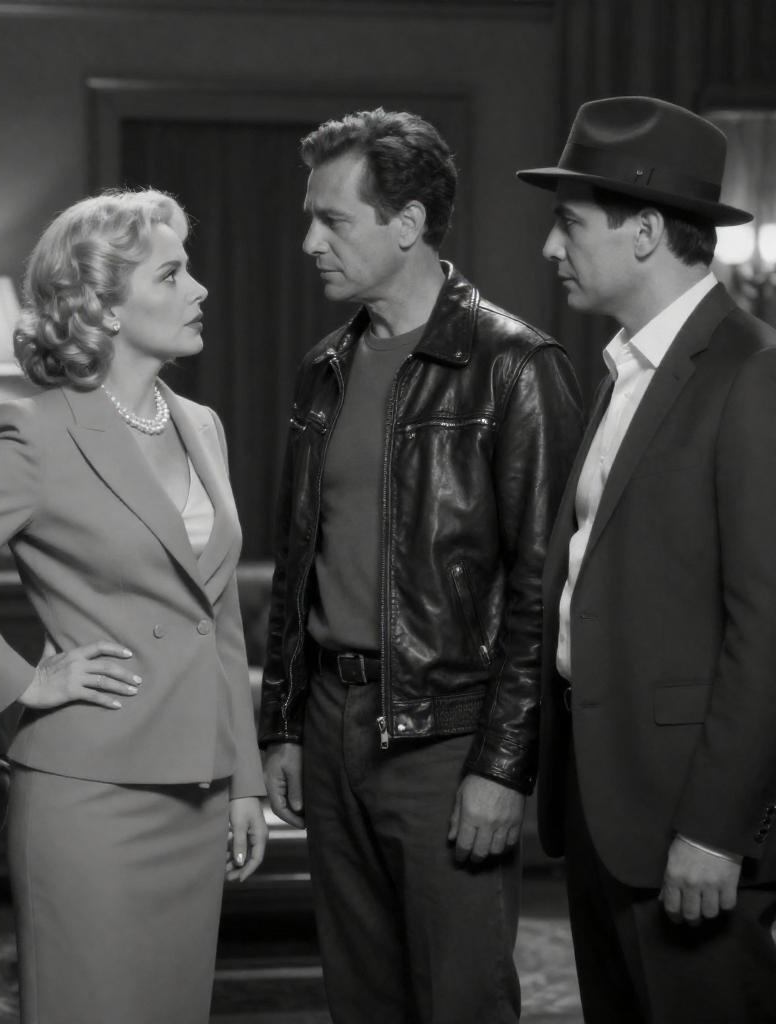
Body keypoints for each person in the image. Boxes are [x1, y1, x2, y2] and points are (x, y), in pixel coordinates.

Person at [0, 188, 268, 1024]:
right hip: (91, 797)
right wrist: (23, 683)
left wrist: (244, 780)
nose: (200, 289)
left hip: (200, 794)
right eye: (172, 274)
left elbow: (220, 618)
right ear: (107, 305)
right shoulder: (34, 432)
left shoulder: (203, 425)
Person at [258, 108, 583, 1023]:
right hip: (331, 722)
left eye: (333, 220)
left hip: (447, 735)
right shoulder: (323, 368)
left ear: (407, 224)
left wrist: (503, 767)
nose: (310, 242)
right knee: (360, 997)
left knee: (460, 999)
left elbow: (542, 589)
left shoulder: (515, 366)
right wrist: (283, 725)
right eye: (310, 219)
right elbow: (298, 563)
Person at [517, 95, 776, 1023]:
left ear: (646, 232)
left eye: (570, 223)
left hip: (686, 822)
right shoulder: (626, 369)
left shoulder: (750, 370)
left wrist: (715, 830)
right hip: (603, 804)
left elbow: (766, 628)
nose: (550, 247)